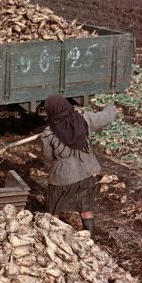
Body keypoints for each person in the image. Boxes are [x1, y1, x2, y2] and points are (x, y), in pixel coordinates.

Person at [40, 94, 117, 241]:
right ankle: (90, 242)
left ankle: (54, 241)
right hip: (86, 174)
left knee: (54, 212)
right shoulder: (84, 119)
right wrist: (111, 108)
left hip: (62, 179)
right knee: (86, 210)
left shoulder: (48, 133)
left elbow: (48, 157)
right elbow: (104, 117)